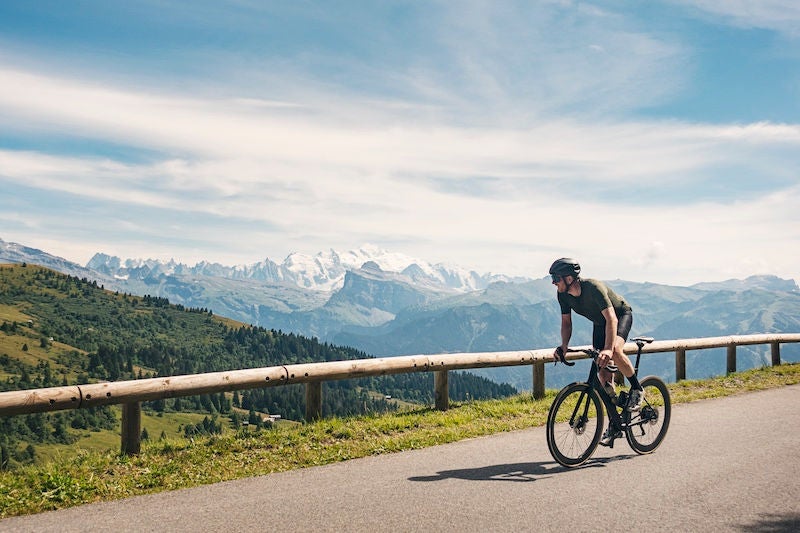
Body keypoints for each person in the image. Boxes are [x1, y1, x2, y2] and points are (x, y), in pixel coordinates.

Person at [549, 258, 644, 442]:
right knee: (603, 375)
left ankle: (637, 389)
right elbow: (566, 323)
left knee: (615, 351)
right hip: (600, 324)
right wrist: (564, 346)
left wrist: (608, 349)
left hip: (620, 316)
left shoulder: (593, 288)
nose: (553, 282)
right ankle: (615, 423)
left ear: (569, 278)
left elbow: (612, 320)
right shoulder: (563, 295)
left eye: (555, 277)